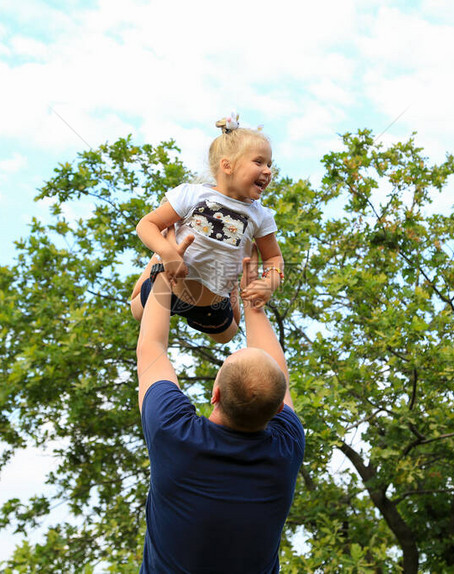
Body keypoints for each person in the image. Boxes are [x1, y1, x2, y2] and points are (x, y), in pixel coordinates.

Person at [136, 242, 305, 573]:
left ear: (215, 393)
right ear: (275, 411)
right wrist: (252, 306)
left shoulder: (174, 432)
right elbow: (151, 349)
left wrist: (165, 259)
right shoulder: (285, 449)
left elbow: (152, 342)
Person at [130, 113, 284, 344]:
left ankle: (232, 289)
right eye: (259, 162)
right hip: (170, 287)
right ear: (227, 165)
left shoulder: (260, 215)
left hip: (212, 304)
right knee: (137, 311)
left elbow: (273, 257)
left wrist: (269, 283)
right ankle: (160, 258)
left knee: (227, 335)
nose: (268, 171)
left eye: (270, 165)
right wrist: (167, 252)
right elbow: (147, 224)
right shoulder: (193, 194)